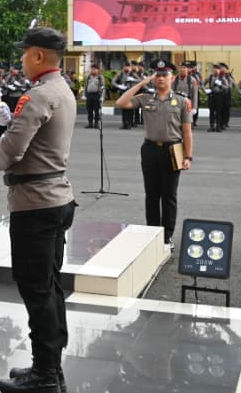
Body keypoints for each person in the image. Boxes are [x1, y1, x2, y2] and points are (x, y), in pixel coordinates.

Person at [0, 27, 77, 393]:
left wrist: (1, 127)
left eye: (26, 53)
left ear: (39, 56)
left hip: (35, 203)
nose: (22, 59)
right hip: (55, 199)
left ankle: (45, 373)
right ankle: (50, 365)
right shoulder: (61, 89)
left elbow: (7, 154)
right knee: (50, 286)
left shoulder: (38, 95)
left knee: (37, 288)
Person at [117, 59, 193, 251]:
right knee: (151, 195)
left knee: (169, 196)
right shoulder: (145, 98)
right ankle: (152, 234)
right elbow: (121, 102)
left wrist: (188, 156)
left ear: (171, 77)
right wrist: (143, 82)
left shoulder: (182, 101)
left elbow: (187, 132)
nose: (160, 79)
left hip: (172, 151)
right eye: (157, 75)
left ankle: (166, 237)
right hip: (150, 150)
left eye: (164, 75)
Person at [83, 64, 105, 128]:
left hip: (97, 95)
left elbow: (103, 87)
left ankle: (96, 123)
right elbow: (85, 86)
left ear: (98, 70)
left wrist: (102, 96)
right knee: (89, 110)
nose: (93, 70)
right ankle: (90, 123)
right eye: (92, 69)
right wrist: (84, 95)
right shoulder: (88, 77)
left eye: (94, 69)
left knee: (96, 110)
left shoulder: (100, 77)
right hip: (89, 95)